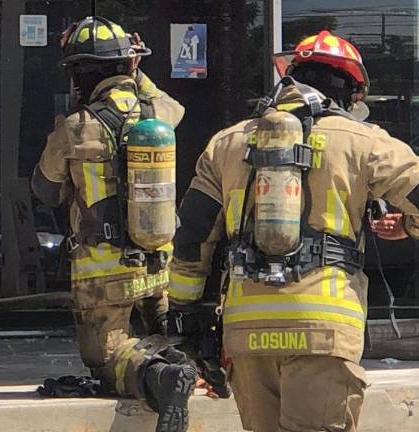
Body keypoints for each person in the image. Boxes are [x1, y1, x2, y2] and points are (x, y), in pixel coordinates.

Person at [167, 30, 419, 432]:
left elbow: (192, 237)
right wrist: (407, 226)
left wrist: (182, 315)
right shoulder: (366, 142)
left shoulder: (227, 143)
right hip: (324, 328)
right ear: (352, 91)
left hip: (247, 332)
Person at [32, 16, 195, 432]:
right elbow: (177, 107)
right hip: (158, 259)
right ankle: (180, 363)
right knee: (163, 328)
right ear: (128, 66)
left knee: (108, 358)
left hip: (102, 271)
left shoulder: (75, 128)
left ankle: (159, 377)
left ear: (79, 75)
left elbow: (44, 189)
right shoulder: (157, 112)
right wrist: (137, 73)